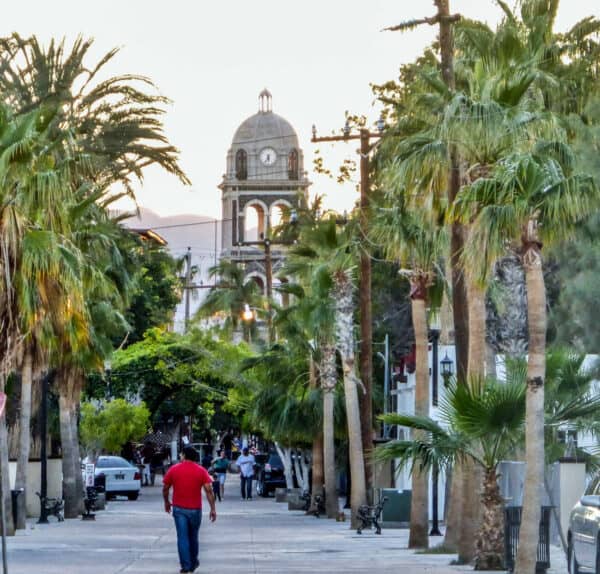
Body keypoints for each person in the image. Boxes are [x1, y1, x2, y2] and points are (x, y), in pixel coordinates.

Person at [163, 446, 217, 574]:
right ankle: (192, 563)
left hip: (179, 509)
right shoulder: (201, 470)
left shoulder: (174, 469)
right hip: (195, 510)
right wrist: (213, 509)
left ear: (184, 455)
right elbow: (209, 490)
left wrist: (166, 502)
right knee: (193, 537)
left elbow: (165, 488)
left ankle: (185, 566)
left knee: (182, 537)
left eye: (181, 455)